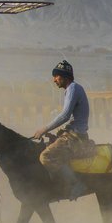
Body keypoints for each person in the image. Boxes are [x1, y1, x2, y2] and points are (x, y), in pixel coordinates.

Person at [32, 60, 90, 200]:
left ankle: (76, 184)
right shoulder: (72, 89)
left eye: (56, 76)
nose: (54, 80)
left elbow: (65, 115)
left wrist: (44, 128)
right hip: (71, 133)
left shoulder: (73, 89)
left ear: (65, 76)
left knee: (45, 156)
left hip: (75, 137)